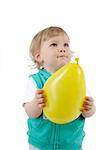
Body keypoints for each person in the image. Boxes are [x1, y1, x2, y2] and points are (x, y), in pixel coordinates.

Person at [23, 26, 96, 150]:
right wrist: (36, 103)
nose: (62, 49)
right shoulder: (35, 81)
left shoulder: (76, 79)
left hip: (70, 144)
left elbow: (86, 111)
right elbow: (31, 112)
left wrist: (89, 109)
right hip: (41, 144)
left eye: (66, 45)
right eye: (54, 44)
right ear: (39, 56)